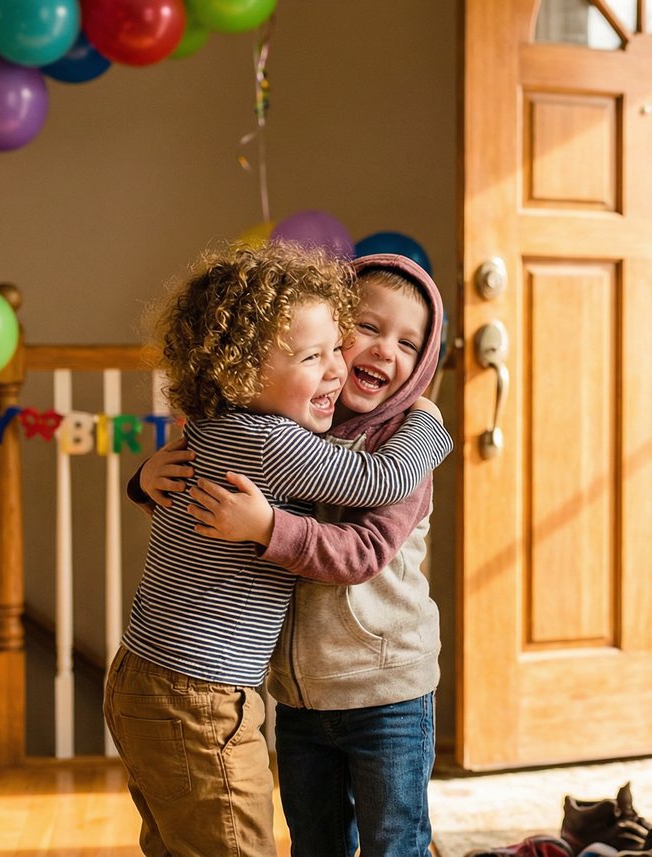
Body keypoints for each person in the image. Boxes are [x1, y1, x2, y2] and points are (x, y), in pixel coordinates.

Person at [106, 244, 452, 857]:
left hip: (374, 684)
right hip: (220, 691)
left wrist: (148, 483)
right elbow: (378, 479)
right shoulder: (278, 437)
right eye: (360, 331)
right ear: (245, 369)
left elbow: (368, 534)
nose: (370, 355)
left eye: (408, 344)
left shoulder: (219, 424)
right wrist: (433, 429)